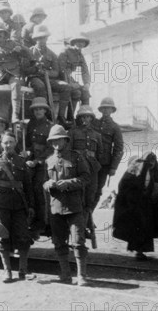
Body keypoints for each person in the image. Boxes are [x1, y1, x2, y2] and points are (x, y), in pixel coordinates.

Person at [0, 132, 35, 282]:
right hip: (1, 205)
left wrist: (31, 205)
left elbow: (28, 186)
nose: (8, 145)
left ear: (16, 143)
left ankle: (23, 270)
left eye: (11, 142)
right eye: (5, 143)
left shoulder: (22, 162)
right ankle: (7, 271)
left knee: (23, 237)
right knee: (2, 237)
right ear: (1, 144)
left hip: (19, 204)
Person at [44, 125, 91, 285]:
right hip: (56, 208)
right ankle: (65, 275)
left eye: (60, 139)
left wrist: (69, 183)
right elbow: (42, 183)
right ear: (51, 143)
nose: (57, 143)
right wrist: (48, 184)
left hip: (74, 207)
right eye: (54, 140)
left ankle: (81, 276)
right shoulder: (48, 161)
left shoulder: (76, 157)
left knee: (78, 242)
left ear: (65, 140)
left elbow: (86, 178)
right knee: (59, 243)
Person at [112, 152, 158, 261]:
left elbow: (156, 184)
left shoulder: (153, 171)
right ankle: (138, 252)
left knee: (146, 228)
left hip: (147, 205)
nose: (152, 164)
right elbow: (124, 183)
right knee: (138, 228)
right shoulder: (135, 169)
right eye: (150, 161)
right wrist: (133, 197)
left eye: (154, 161)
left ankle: (140, 251)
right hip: (135, 204)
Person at [69, 105, 102, 242]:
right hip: (77, 170)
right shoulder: (72, 132)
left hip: (92, 170)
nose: (85, 119)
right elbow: (69, 152)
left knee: (90, 197)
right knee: (77, 199)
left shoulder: (97, 135)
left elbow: (100, 154)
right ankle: (77, 230)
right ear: (79, 118)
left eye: (88, 117)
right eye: (83, 117)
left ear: (91, 118)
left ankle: (83, 226)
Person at [28, 25, 73, 125]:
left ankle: (61, 116)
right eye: (39, 38)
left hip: (48, 78)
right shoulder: (30, 52)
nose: (42, 40)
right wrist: (36, 70)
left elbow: (56, 72)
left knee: (66, 87)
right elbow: (26, 69)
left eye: (44, 37)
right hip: (34, 78)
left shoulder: (51, 54)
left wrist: (46, 73)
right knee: (40, 86)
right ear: (35, 39)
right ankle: (46, 114)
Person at [23, 97, 54, 238]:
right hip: (32, 162)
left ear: (45, 110)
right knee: (28, 189)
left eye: (40, 109)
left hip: (44, 164)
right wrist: (28, 152)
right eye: (35, 109)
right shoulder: (31, 125)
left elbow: (51, 149)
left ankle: (43, 222)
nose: (38, 111)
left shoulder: (51, 126)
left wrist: (37, 161)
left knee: (40, 191)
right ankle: (32, 219)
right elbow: (29, 144)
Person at [91, 97, 124, 208]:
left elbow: (118, 149)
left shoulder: (115, 127)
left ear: (112, 110)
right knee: (89, 188)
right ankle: (86, 216)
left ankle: (89, 214)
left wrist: (113, 167)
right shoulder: (94, 123)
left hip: (103, 164)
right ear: (100, 110)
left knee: (98, 189)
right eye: (103, 108)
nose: (105, 111)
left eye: (108, 108)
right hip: (90, 161)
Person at [58, 36, 91, 106]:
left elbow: (85, 70)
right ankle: (70, 115)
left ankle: (85, 114)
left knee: (86, 93)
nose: (81, 44)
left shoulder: (80, 55)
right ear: (74, 43)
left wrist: (87, 83)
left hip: (68, 78)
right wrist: (70, 83)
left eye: (83, 42)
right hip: (60, 78)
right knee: (76, 92)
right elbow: (61, 69)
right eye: (78, 41)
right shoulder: (65, 51)